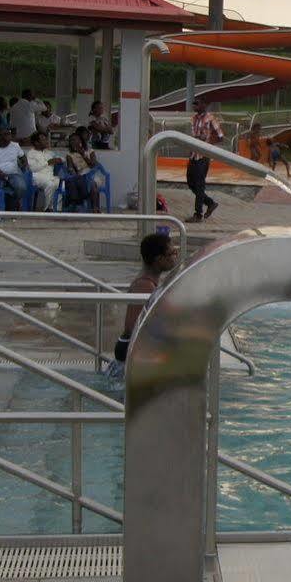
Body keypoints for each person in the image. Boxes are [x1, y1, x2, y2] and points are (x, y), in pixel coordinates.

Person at [110, 231, 179, 381]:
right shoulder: (144, 285)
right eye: (172, 252)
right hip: (131, 353)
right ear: (159, 259)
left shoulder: (151, 282)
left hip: (134, 352)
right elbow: (131, 327)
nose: (176, 256)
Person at [188, 100, 224, 221]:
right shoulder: (193, 118)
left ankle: (198, 214)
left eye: (197, 103)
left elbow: (220, 136)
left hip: (203, 156)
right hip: (193, 155)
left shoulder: (210, 118)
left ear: (204, 105)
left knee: (199, 185)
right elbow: (193, 135)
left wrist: (208, 145)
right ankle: (210, 203)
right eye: (194, 103)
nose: (195, 106)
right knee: (191, 183)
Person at [0, 127, 31, 211]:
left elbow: (23, 157)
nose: (8, 137)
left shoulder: (15, 146)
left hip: (13, 174)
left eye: (9, 134)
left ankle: (13, 203)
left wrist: (24, 165)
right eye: (5, 134)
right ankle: (8, 205)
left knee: (21, 187)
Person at [61, 133, 106, 211]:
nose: (72, 142)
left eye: (74, 140)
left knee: (92, 184)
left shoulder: (90, 151)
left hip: (92, 174)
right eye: (71, 140)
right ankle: (79, 206)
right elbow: (70, 168)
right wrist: (72, 172)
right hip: (80, 175)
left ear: (80, 141)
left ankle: (95, 208)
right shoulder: (70, 155)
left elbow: (93, 165)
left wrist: (83, 154)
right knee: (77, 182)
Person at [26, 131, 63, 210]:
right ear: (36, 142)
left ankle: (57, 209)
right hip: (37, 176)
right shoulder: (31, 153)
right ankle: (47, 209)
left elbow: (62, 159)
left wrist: (60, 159)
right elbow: (33, 168)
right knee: (50, 184)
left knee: (62, 185)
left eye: (46, 139)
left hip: (50, 176)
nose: (46, 141)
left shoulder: (49, 153)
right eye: (43, 140)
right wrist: (48, 162)